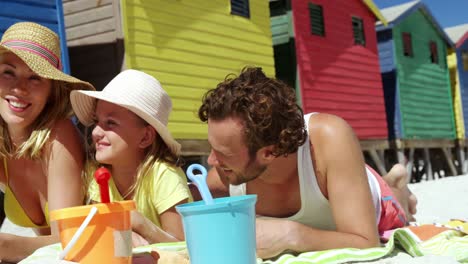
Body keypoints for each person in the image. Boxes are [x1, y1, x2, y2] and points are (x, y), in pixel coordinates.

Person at [196, 66, 418, 259]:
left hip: (363, 190)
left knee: (397, 211)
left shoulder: (330, 136)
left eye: (222, 153)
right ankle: (391, 179)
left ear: (269, 153)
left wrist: (291, 234)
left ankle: (397, 187)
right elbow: (183, 205)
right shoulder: (227, 172)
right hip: (339, 181)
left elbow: (366, 242)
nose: (211, 160)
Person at [0, 22, 95, 261]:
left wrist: (4, 246)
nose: (20, 89)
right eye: (8, 72)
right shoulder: (4, 141)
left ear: (52, 91)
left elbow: (69, 243)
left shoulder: (58, 136)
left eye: (35, 78)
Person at [70, 69, 193, 245]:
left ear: (145, 137)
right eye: (97, 121)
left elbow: (184, 247)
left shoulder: (163, 176)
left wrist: (140, 224)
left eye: (111, 123)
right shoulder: (97, 175)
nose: (96, 132)